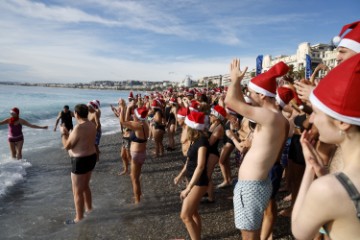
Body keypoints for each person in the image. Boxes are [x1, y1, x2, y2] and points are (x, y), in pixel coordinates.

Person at [292, 53, 360, 240]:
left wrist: (309, 168)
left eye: (315, 112)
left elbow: (300, 231)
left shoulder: (328, 189)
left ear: (342, 122)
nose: (311, 119)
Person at [225, 59, 289, 240]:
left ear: (262, 95)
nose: (248, 96)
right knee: (251, 230)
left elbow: (231, 101)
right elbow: (237, 101)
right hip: (259, 183)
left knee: (249, 235)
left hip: (251, 185)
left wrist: (235, 80)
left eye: (251, 93)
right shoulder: (279, 118)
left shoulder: (267, 116)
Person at [60, 104, 97, 224]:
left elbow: (67, 146)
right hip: (91, 157)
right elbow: (83, 140)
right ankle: (89, 209)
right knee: (85, 186)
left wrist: (64, 133)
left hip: (80, 160)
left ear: (76, 114)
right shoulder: (92, 124)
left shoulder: (78, 128)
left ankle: (79, 218)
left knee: (77, 191)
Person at [180, 111, 209, 240]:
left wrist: (188, 188)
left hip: (199, 182)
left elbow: (201, 166)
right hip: (192, 179)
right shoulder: (194, 140)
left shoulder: (202, 142)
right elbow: (189, 160)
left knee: (185, 216)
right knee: (194, 213)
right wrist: (181, 175)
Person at [119, 100, 149, 204]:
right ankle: (138, 194)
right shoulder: (145, 124)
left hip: (136, 155)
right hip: (142, 153)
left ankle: (137, 200)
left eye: (135, 115)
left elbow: (123, 122)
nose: (133, 116)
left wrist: (123, 107)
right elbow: (127, 121)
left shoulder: (138, 126)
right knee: (136, 176)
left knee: (134, 178)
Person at [203, 104, 226, 203]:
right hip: (210, 152)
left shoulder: (219, 128)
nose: (209, 116)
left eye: (212, 115)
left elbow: (210, 142)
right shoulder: (213, 125)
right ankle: (206, 191)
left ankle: (211, 198)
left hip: (213, 153)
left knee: (208, 176)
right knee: (206, 174)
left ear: (217, 118)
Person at [111, 100, 131, 175]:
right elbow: (119, 116)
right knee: (123, 155)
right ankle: (126, 170)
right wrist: (114, 111)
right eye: (118, 104)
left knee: (129, 156)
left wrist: (121, 108)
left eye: (119, 103)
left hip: (128, 137)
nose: (118, 105)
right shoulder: (122, 110)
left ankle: (133, 170)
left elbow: (123, 120)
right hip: (124, 137)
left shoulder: (127, 111)